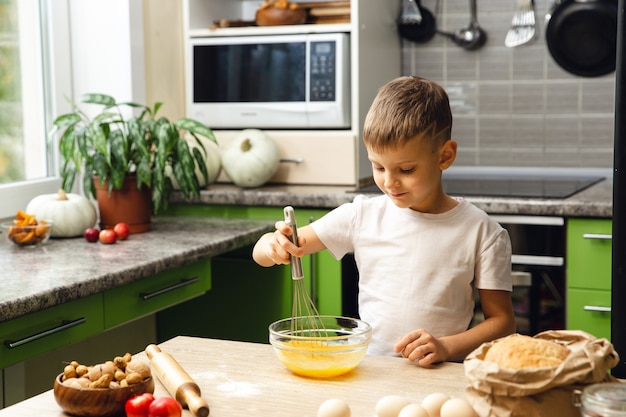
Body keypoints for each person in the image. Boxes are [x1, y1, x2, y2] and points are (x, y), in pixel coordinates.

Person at [252, 75, 516, 366]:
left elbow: (503, 323)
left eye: (405, 169)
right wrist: (272, 245)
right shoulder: (362, 215)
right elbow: (271, 252)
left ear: (445, 155)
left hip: (441, 372)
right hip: (373, 369)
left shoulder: (481, 232)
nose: (389, 182)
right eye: (378, 166)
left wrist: (445, 346)